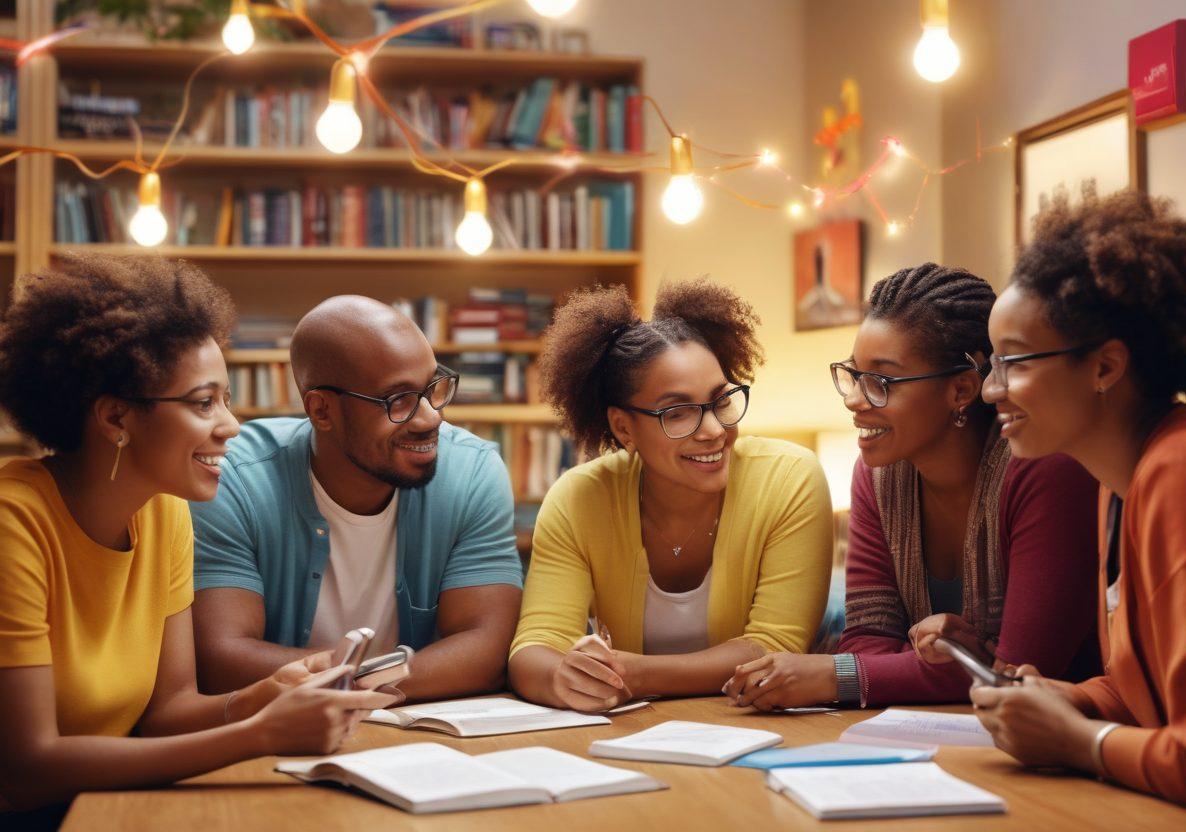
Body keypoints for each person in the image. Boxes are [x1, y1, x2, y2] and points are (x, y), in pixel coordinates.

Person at [0, 255, 393, 818]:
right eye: (204, 402)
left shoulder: (165, 512)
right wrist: (260, 734)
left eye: (225, 400)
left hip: (107, 808)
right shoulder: (13, 524)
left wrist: (268, 694)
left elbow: (169, 713)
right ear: (116, 419)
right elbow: (27, 770)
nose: (231, 425)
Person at [725, 263, 1100, 710]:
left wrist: (835, 675)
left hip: (1063, 737)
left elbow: (1019, 671)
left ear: (961, 390)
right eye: (853, 375)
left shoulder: (1043, 468)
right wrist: (961, 659)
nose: (854, 399)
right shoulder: (877, 476)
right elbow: (866, 639)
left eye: (881, 382)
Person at [970, 191, 1186, 816]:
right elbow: (1149, 691)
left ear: (1105, 367)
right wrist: (1072, 699)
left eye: (1013, 362)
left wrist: (1078, 742)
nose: (991, 390)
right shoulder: (1115, 483)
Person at [509, 279, 834, 712]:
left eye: (721, 401)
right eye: (678, 413)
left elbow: (774, 646)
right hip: (633, 732)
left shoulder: (789, 479)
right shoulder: (579, 498)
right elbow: (534, 646)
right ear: (623, 428)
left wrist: (635, 675)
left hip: (758, 724)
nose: (714, 430)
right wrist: (561, 678)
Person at [189, 295, 523, 703]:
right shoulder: (234, 480)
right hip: (284, 732)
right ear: (321, 411)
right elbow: (222, 660)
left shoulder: (472, 472)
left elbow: (485, 653)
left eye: (433, 388)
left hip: (416, 730)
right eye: (398, 400)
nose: (430, 417)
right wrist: (392, 678)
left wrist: (348, 683)